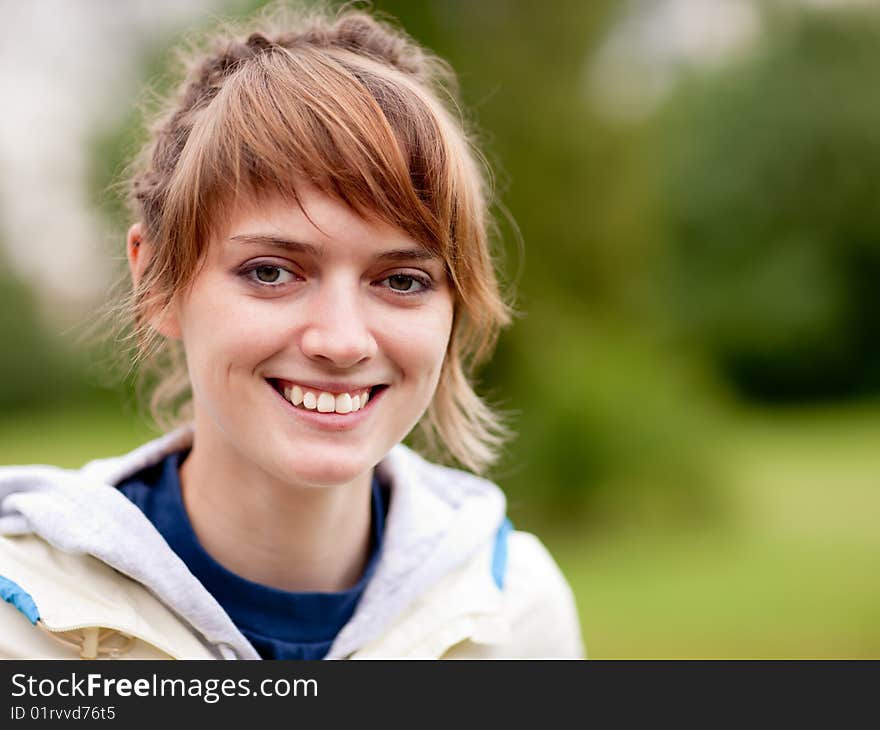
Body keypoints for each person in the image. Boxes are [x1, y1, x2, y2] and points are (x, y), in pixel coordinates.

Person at [0, 5, 583, 660]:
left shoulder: (514, 613)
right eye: (272, 271)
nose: (341, 341)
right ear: (157, 282)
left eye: (401, 281)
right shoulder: (19, 626)